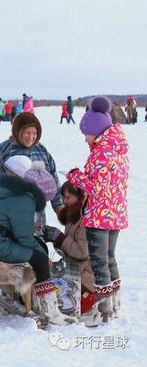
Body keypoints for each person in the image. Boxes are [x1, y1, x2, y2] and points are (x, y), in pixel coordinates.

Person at [0, 162, 77, 325]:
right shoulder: (25, 200)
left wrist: (29, 228)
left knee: (37, 253)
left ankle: (35, 299)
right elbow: (25, 239)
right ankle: (51, 311)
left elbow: (9, 223)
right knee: (39, 259)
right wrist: (42, 256)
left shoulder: (16, 194)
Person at [67, 96, 129, 326]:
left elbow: (95, 186)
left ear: (97, 130)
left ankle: (102, 310)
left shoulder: (102, 152)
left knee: (99, 262)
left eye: (87, 134)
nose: (85, 139)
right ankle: (114, 303)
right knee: (110, 259)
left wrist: (75, 175)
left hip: (100, 214)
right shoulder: (117, 148)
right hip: (116, 213)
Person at [0, 112, 64, 213]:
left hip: (37, 215)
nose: (31, 137)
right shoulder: (4, 150)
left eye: (34, 133)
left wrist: (58, 206)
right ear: (18, 131)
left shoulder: (41, 150)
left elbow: (52, 178)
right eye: (27, 132)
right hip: (9, 213)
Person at [42, 181, 95, 317]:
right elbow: (70, 245)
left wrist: (59, 238)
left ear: (80, 196)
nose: (65, 201)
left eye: (68, 197)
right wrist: (55, 238)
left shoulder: (86, 219)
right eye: (63, 197)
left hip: (84, 274)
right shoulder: (74, 214)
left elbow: (82, 252)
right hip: (74, 267)